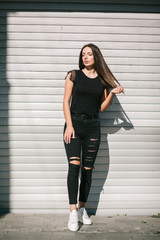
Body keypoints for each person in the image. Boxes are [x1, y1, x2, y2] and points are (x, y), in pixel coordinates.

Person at [63, 43, 124, 231]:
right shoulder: (73, 75)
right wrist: (70, 125)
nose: (86, 57)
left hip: (93, 127)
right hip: (74, 125)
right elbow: (66, 101)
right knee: (74, 166)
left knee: (87, 170)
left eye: (89, 54)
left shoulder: (102, 81)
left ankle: (82, 209)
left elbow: (102, 107)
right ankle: (73, 212)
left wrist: (112, 93)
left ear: (96, 56)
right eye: (83, 55)